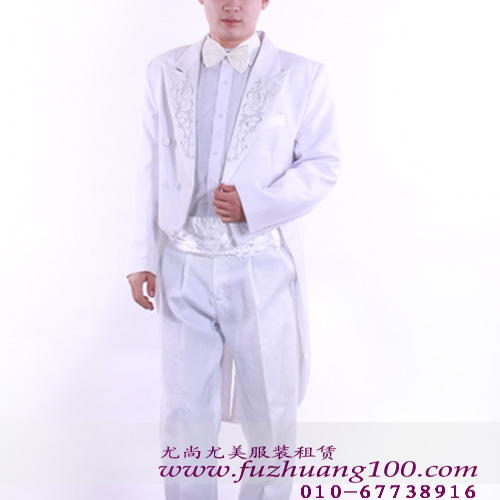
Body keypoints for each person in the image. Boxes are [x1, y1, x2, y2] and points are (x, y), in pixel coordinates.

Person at [127, 0, 340, 498]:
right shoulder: (164, 70)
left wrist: (255, 203)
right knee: (183, 411)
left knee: (271, 410)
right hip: (182, 261)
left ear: (265, 1)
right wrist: (142, 256)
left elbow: (322, 164)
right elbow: (149, 165)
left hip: (261, 262)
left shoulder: (302, 75)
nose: (231, 5)